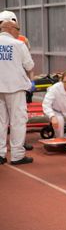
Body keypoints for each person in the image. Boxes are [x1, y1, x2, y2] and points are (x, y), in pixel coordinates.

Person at [0, 20, 34, 165]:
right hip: (15, 87)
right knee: (18, 121)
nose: (18, 32)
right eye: (17, 29)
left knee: (1, 122)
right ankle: (17, 155)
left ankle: (0, 154)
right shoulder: (18, 44)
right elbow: (29, 65)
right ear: (10, 28)